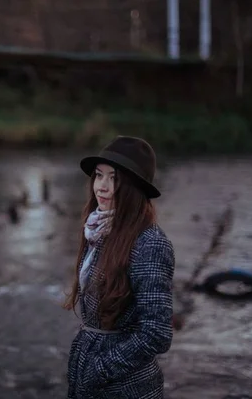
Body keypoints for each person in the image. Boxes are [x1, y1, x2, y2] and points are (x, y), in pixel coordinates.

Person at [64, 136, 175, 398]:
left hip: (126, 387)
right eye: (99, 176)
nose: (101, 187)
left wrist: (100, 369)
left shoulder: (150, 243)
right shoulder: (98, 229)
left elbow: (157, 333)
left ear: (134, 187)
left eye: (114, 178)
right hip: (91, 371)